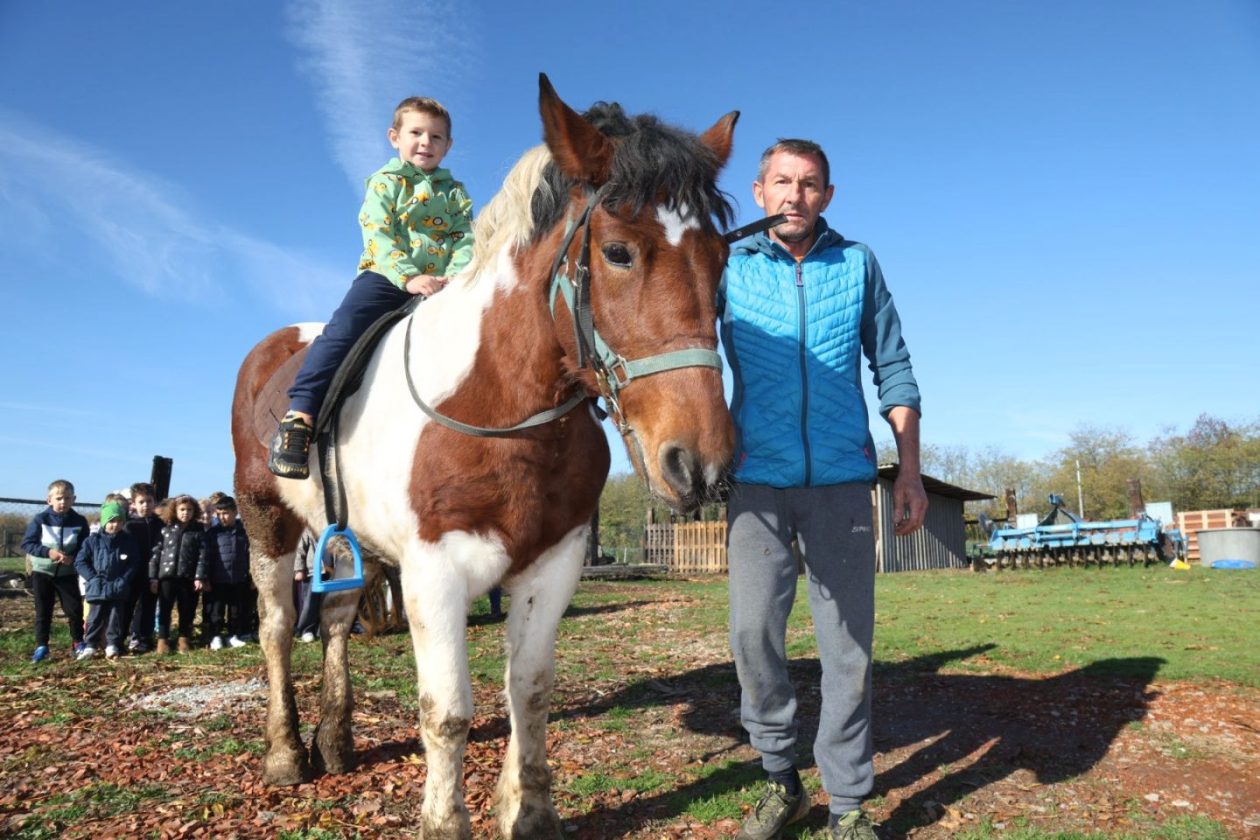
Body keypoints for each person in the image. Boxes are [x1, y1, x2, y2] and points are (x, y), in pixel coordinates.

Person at [718, 139, 927, 840]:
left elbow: (892, 365)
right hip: (756, 479)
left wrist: (910, 470)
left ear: (827, 196)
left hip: (840, 480)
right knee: (753, 636)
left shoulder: (857, 263)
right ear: (758, 191)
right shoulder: (726, 264)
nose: (795, 196)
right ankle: (780, 781)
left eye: (809, 185)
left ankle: (846, 804)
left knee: (847, 649)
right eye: (782, 182)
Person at [268, 95, 474, 479]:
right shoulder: (385, 183)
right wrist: (409, 277)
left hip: (444, 286)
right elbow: (379, 234)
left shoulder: (456, 194)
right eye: (416, 133)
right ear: (395, 137)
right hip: (387, 278)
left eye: (436, 136)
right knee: (343, 329)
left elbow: (465, 239)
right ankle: (300, 414)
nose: (425, 142)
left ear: (449, 146)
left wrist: (457, 279)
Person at [22, 479, 89, 662]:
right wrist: (48, 552)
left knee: (74, 610)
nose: (63, 502)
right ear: (49, 500)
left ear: (73, 499)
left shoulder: (80, 521)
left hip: (67, 574)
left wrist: (73, 557)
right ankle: (42, 646)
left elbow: (85, 546)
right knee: (43, 611)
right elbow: (28, 544)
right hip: (42, 572)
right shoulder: (40, 520)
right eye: (59, 498)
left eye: (67, 498)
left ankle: (77, 642)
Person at [73, 500, 142, 660]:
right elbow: (80, 561)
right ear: (104, 521)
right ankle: (90, 645)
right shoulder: (92, 541)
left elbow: (134, 562)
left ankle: (112, 644)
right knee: (94, 618)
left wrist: (124, 579)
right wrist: (92, 578)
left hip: (118, 588)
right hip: (97, 587)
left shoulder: (128, 541)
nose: (115, 525)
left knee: (115, 618)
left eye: (119, 521)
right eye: (111, 521)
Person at [149, 494, 208, 654]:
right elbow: (156, 554)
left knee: (187, 609)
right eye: (182, 509)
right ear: (174, 510)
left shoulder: (198, 530)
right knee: (165, 609)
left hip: (187, 577)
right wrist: (153, 577)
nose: (185, 513)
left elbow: (202, 555)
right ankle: (163, 640)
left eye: (189, 510)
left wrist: (199, 576)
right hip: (166, 576)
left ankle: (184, 639)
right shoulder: (165, 529)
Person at [202, 496, 252, 649]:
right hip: (217, 579)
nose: (222, 517)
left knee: (236, 610)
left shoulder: (244, 532)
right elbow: (206, 557)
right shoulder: (212, 533)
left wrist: (249, 575)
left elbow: (249, 554)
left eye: (226, 513)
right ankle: (216, 636)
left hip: (238, 578)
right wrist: (206, 578)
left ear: (235, 512)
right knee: (216, 611)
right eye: (219, 514)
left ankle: (233, 635)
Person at [123, 482, 164, 653]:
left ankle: (143, 637)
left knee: (148, 605)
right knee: (128, 605)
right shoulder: (129, 526)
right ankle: (121, 637)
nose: (145, 505)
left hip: (153, 573)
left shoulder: (160, 524)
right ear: (133, 504)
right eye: (141, 502)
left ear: (155, 502)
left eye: (149, 501)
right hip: (133, 572)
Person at [292, 529, 322, 642]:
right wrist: (299, 569)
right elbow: (300, 551)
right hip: (313, 572)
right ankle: (306, 630)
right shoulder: (307, 531)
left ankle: (320, 629)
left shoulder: (331, 529)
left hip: (328, 571)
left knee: (324, 602)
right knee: (310, 603)